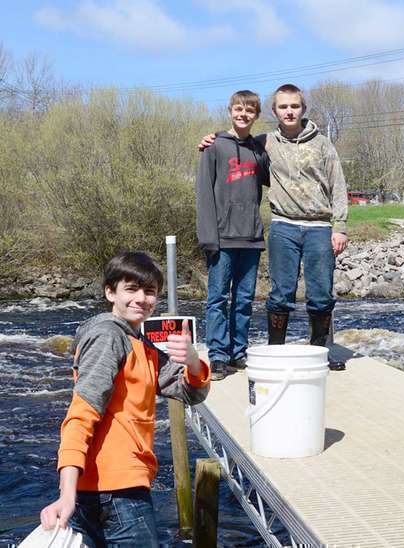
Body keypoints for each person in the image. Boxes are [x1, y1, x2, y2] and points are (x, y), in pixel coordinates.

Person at [39, 251, 210, 546]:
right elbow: (81, 414)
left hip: (105, 489)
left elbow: (190, 392)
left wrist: (193, 361)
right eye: (131, 289)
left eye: (149, 291)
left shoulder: (138, 343)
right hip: (118, 492)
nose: (141, 299)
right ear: (110, 292)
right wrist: (66, 494)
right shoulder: (109, 337)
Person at [200, 84, 348, 370]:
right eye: (283, 107)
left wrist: (339, 226)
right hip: (283, 226)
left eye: (294, 106)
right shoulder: (265, 142)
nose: (289, 111)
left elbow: (338, 186)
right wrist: (213, 137)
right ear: (274, 111)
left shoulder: (322, 144)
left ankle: (320, 350)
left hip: (319, 227)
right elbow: (235, 141)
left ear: (303, 109)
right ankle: (275, 351)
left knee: (320, 294)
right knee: (281, 294)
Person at [196, 89, 269, 381]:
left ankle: (239, 351)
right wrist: (208, 237)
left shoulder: (259, 150)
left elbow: (272, 175)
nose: (243, 115)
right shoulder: (214, 146)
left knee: (244, 299)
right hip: (222, 238)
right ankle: (217, 356)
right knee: (217, 299)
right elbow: (203, 194)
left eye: (249, 111)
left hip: (251, 236)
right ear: (230, 111)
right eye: (238, 109)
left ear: (256, 115)